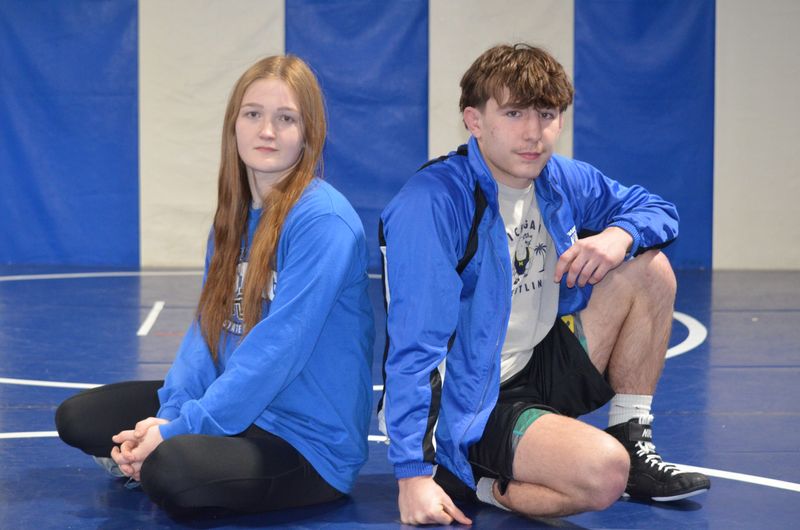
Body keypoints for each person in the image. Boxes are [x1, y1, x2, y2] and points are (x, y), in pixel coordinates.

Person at [379, 43, 710, 525]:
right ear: (474, 120)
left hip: (537, 363)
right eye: (514, 113)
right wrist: (412, 474)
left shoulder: (558, 178)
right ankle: (475, 479)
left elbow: (657, 210)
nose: (533, 133)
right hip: (471, 402)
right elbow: (414, 347)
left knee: (650, 269)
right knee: (603, 473)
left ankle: (632, 437)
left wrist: (618, 236)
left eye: (547, 114)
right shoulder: (432, 202)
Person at [55, 55, 375, 513]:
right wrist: (169, 417)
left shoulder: (323, 221)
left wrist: (176, 433)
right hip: (237, 410)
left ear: (309, 133)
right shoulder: (233, 219)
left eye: (286, 118)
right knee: (79, 418)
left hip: (305, 441)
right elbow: (206, 335)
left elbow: (277, 352)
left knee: (170, 467)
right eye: (253, 114)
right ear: (234, 125)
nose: (267, 131)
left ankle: (153, 463)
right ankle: (153, 458)